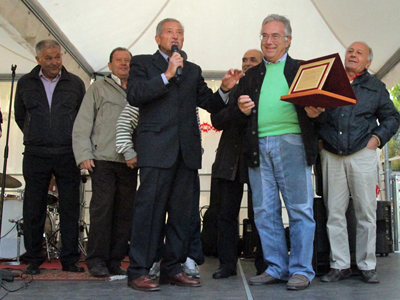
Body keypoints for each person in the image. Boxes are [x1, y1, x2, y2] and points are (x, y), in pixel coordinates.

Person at [125, 18, 243, 292]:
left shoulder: (191, 69)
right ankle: (139, 270)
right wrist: (166, 74)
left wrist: (225, 88)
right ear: (158, 38)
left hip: (186, 152)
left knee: (182, 214)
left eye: (179, 32)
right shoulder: (142, 63)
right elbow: (135, 94)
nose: (175, 36)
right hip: (156, 150)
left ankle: (172, 268)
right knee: (149, 212)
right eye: (169, 32)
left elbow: (210, 104)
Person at [306, 42, 400, 284]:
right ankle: (340, 265)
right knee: (334, 213)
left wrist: (377, 139)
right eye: (350, 51)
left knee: (366, 213)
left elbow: (392, 117)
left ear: (368, 62)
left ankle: (367, 265)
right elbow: (315, 115)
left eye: (359, 53)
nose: (353, 55)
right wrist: (318, 137)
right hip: (331, 154)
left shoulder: (376, 87)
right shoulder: (328, 83)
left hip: (362, 154)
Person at [236, 14, 318, 290]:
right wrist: (240, 107)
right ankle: (276, 266)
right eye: (264, 36)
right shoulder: (251, 75)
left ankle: (302, 270)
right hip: (258, 145)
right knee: (263, 210)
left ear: (288, 40)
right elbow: (230, 112)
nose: (268, 41)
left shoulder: (304, 70)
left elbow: (322, 111)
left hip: (292, 142)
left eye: (274, 36)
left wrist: (315, 113)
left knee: (300, 209)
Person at [14, 39, 85, 274]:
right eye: (49, 58)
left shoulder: (75, 83)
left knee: (70, 208)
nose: (54, 62)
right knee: (33, 208)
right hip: (36, 153)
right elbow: (20, 116)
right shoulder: (24, 83)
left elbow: (81, 118)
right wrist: (37, 135)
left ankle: (70, 260)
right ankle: (33, 259)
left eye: (57, 57)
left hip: (67, 153)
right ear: (38, 60)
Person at [116, 103, 204, 279]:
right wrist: (128, 151)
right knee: (151, 215)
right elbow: (124, 122)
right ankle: (151, 261)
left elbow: (194, 126)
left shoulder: (188, 89)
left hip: (185, 163)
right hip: (155, 160)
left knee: (185, 215)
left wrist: (195, 151)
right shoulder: (150, 87)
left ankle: (180, 262)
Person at [72, 47, 138, 277]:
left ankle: (114, 259)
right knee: (103, 210)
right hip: (102, 159)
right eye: (118, 60)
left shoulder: (138, 89)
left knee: (124, 213)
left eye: (127, 60)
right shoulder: (98, 88)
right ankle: (97, 259)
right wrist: (83, 154)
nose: (123, 64)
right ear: (109, 66)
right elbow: (82, 123)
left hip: (129, 162)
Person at [211, 49, 266, 279]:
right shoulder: (232, 87)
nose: (247, 63)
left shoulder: (268, 85)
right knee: (226, 215)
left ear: (262, 63)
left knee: (262, 214)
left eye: (253, 59)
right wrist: (238, 109)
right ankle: (227, 264)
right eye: (244, 60)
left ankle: (265, 265)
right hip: (229, 159)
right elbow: (216, 120)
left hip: (258, 157)